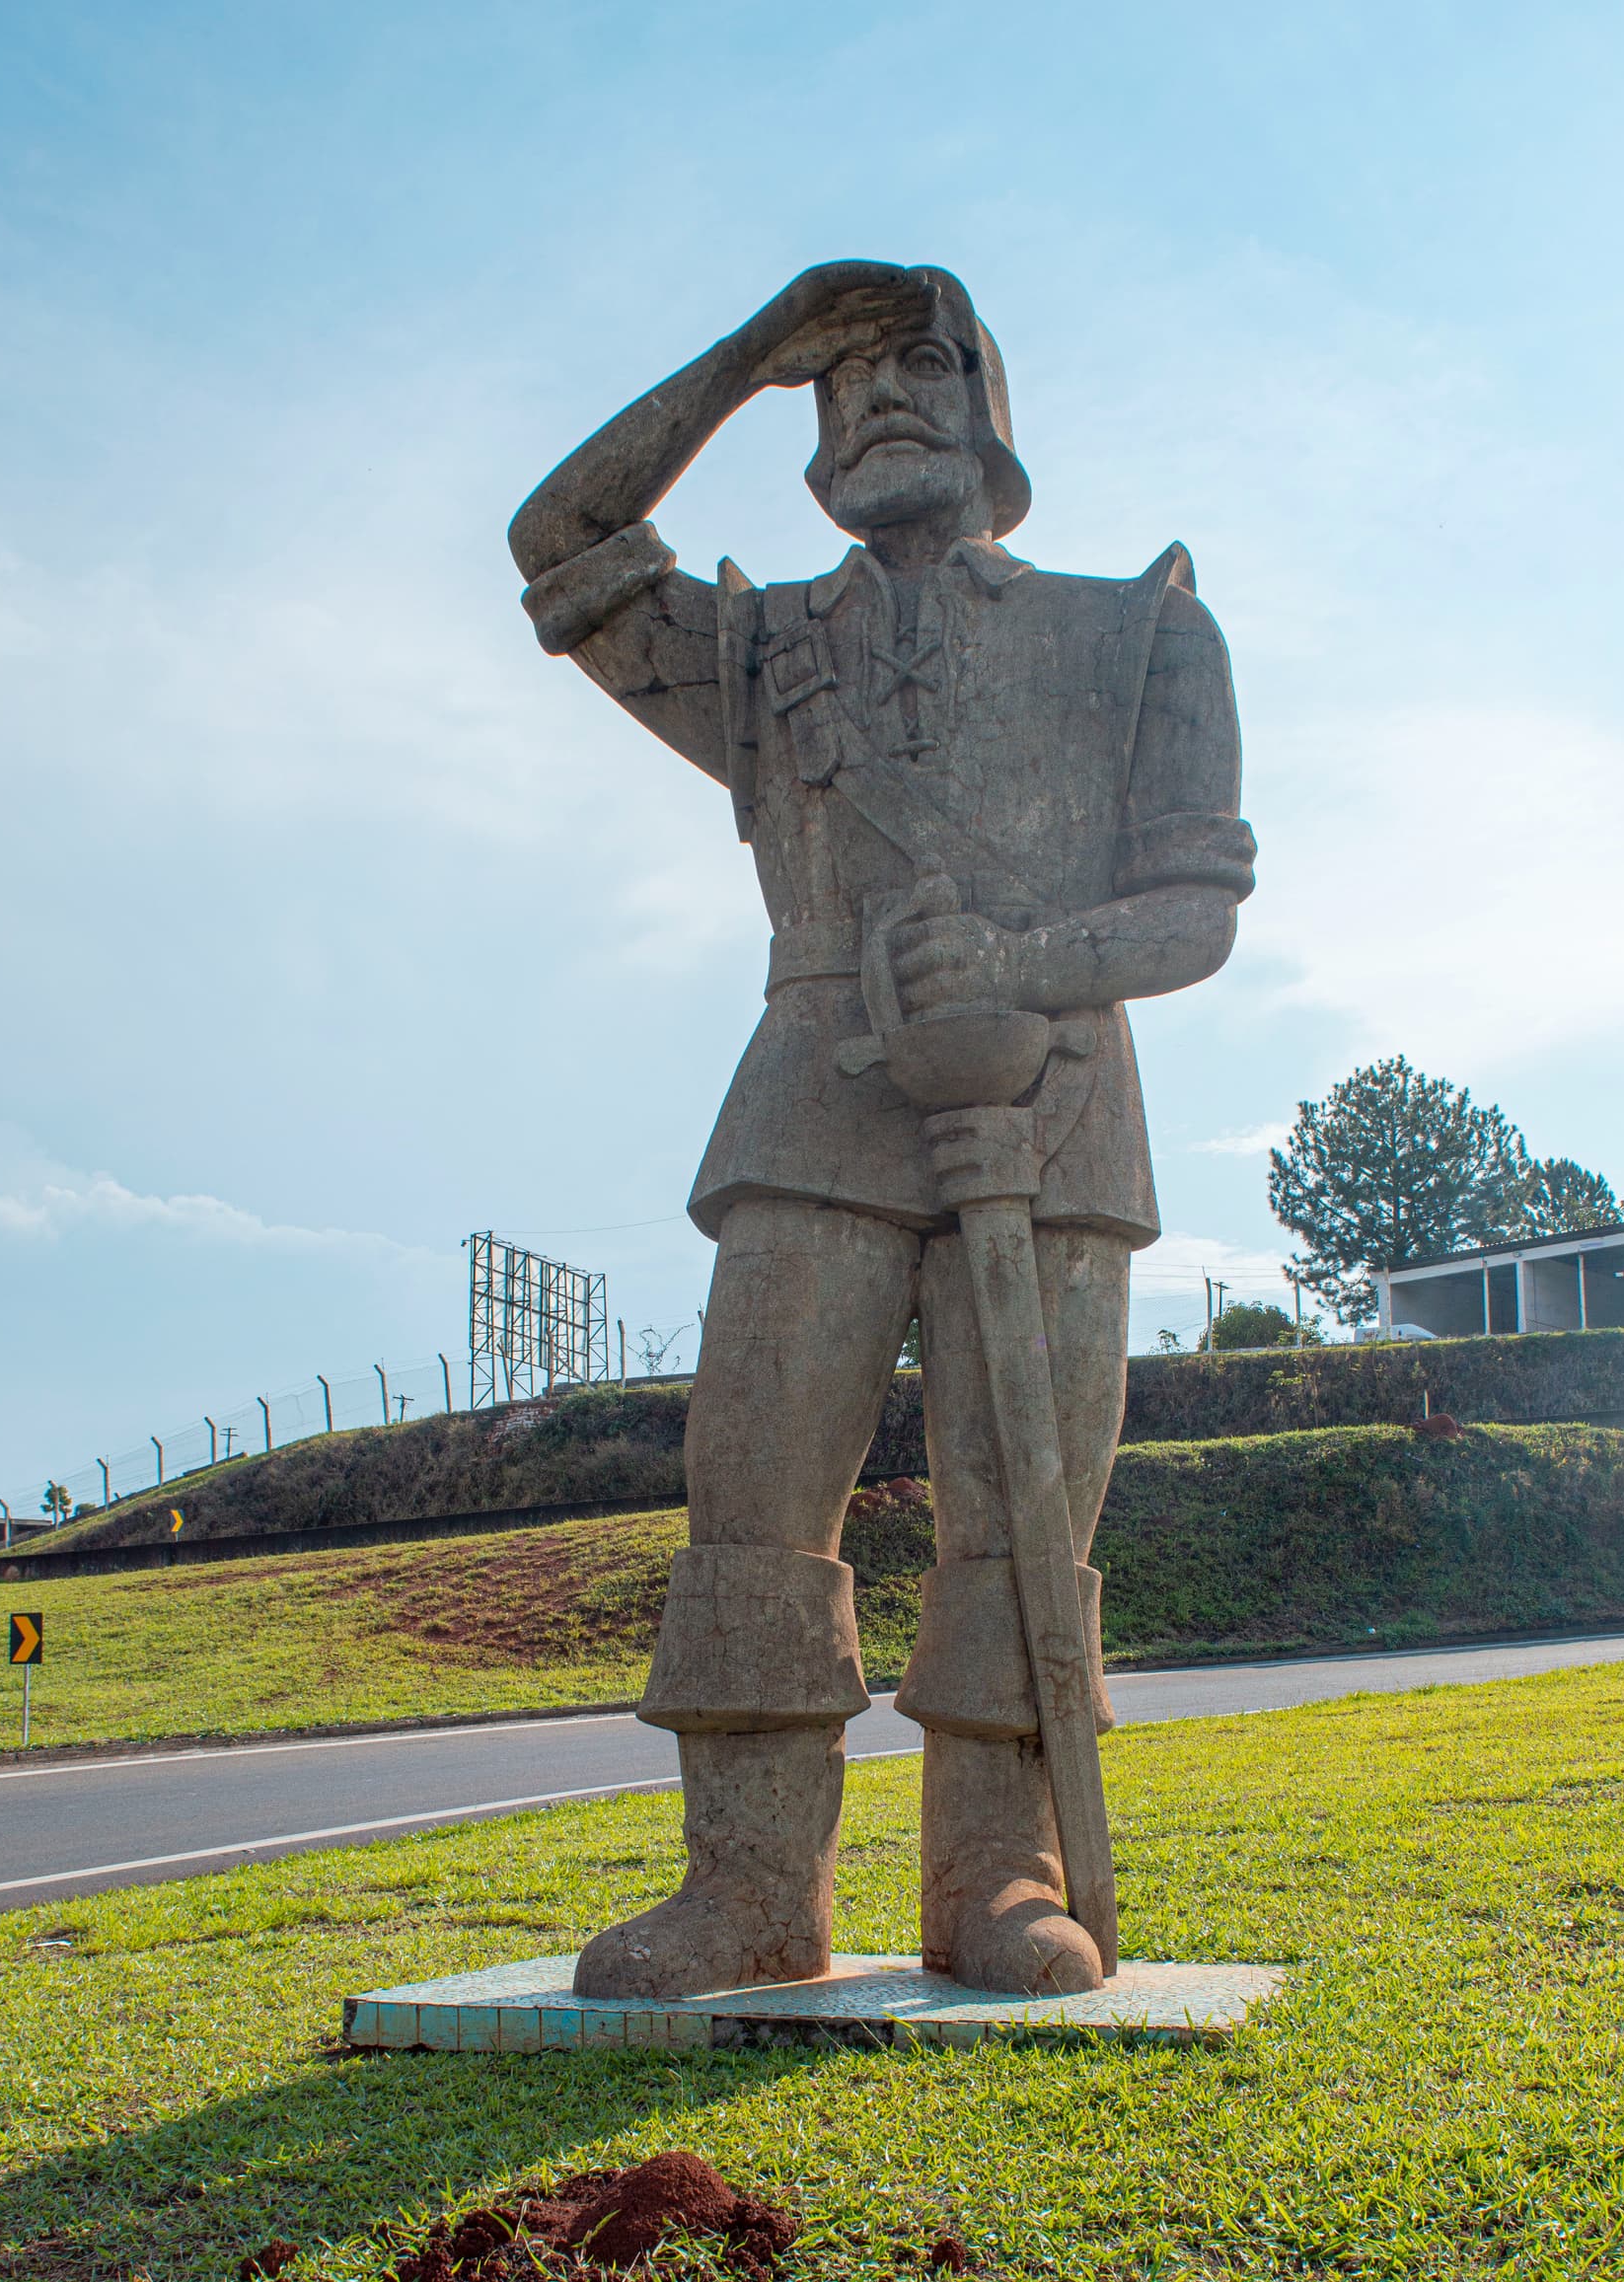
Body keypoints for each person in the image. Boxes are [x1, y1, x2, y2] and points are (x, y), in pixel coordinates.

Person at [509, 261, 1255, 1998]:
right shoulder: (765, 656)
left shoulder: (1136, 629)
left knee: (1025, 1508)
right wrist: (752, 349)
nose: (877, 398)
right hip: (815, 1092)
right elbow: (562, 542)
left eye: (918, 360)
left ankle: (999, 1868)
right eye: (838, 383)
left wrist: (1021, 961)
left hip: (1058, 1103)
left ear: (993, 400)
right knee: (755, 1489)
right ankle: (753, 1882)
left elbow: (1197, 906)